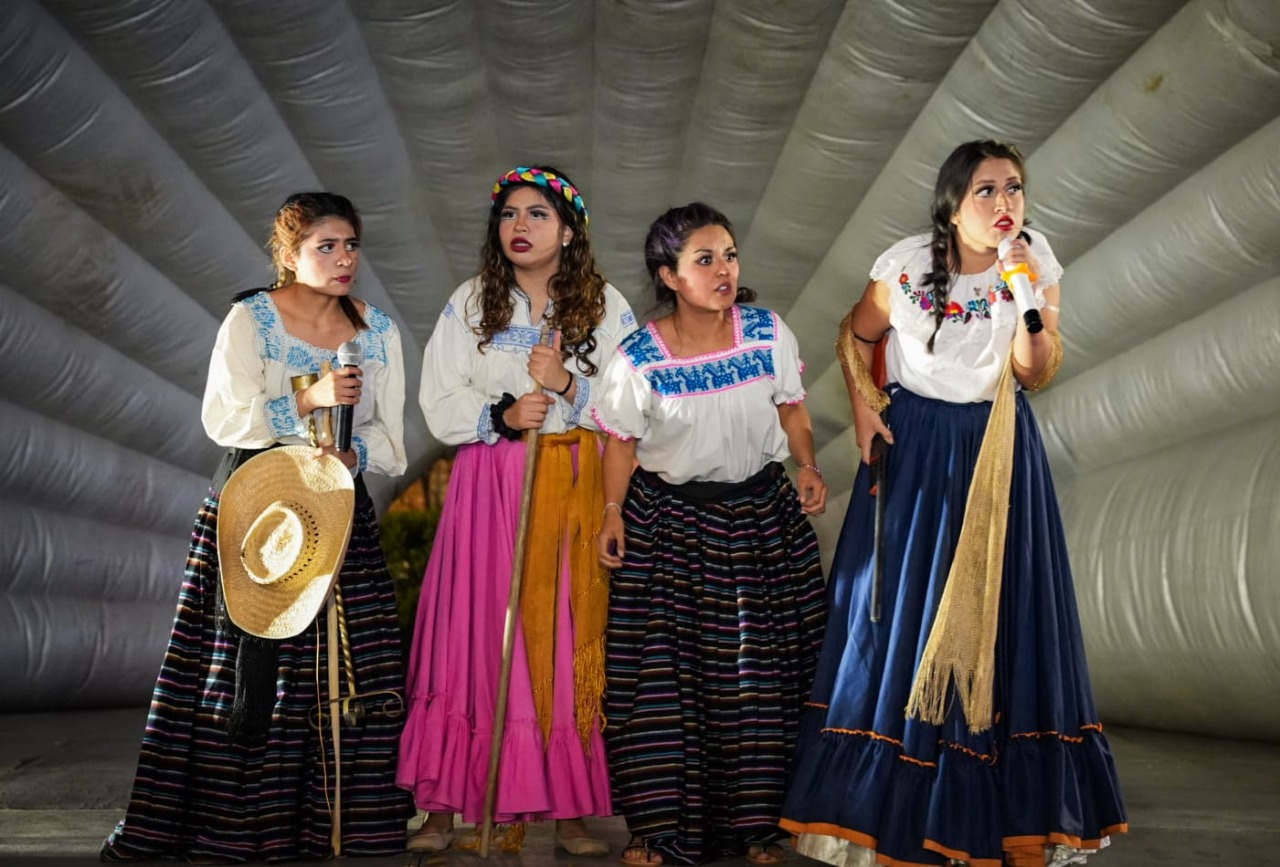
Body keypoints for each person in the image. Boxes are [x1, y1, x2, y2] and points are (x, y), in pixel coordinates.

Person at [779, 140, 1128, 867]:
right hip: (918, 446)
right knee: (906, 607)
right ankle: (886, 805)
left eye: (1014, 189)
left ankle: (1004, 818)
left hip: (996, 447)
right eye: (986, 191)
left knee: (1003, 612)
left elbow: (1035, 373)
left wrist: (1027, 296)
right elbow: (857, 332)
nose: (1005, 204)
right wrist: (866, 406)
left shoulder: (1035, 260)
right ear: (952, 202)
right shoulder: (905, 264)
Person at [102, 192, 413, 861]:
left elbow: (391, 436)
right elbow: (223, 417)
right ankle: (238, 823)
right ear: (290, 253)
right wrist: (310, 397)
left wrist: (356, 455)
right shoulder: (251, 319)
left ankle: (337, 820)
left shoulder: (377, 329)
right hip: (256, 506)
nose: (342, 259)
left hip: (337, 506)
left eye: (350, 244)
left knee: (348, 666)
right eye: (324, 246)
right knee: (242, 663)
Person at [397, 165, 635, 855]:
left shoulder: (606, 305)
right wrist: (499, 414)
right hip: (489, 487)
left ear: (568, 229)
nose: (519, 226)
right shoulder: (472, 303)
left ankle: (567, 810)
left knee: (561, 635)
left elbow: (631, 406)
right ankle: (444, 807)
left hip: (571, 483)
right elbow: (437, 398)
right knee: (472, 632)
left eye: (536, 214)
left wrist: (563, 383)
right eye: (508, 214)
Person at [593, 202, 828, 867]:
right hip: (668, 527)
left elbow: (791, 406)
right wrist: (613, 512)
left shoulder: (764, 331)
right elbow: (619, 443)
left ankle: (760, 828)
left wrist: (806, 464)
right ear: (669, 275)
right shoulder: (637, 355)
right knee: (662, 682)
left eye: (728, 254)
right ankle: (657, 833)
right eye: (705, 259)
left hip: (761, 520)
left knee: (761, 678)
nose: (724, 269)